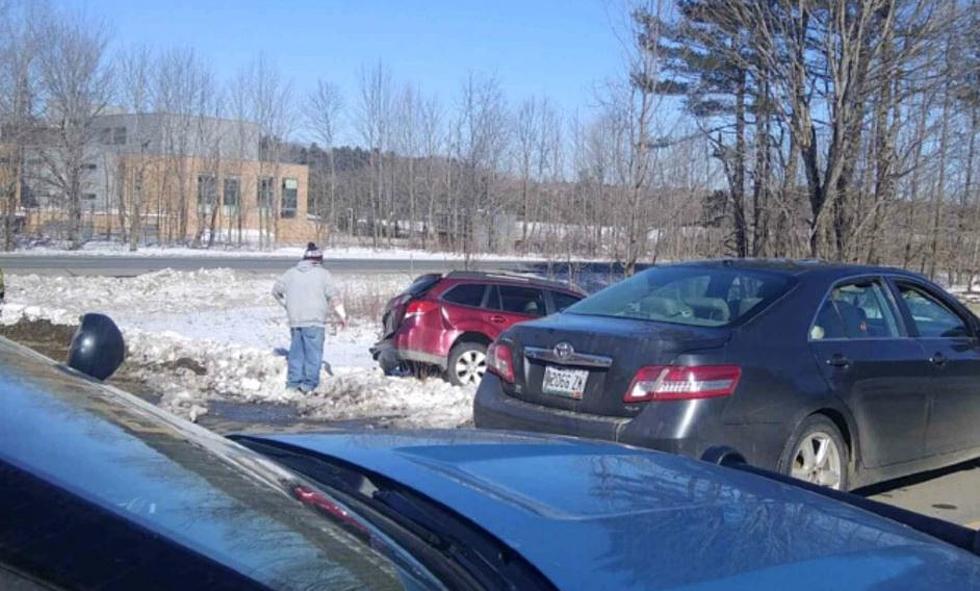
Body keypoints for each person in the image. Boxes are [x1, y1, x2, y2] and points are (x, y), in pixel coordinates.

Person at [272, 243, 347, 392]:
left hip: (295, 320)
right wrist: (342, 316)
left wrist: (286, 305)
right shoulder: (323, 274)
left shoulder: (290, 273)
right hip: (314, 321)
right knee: (313, 354)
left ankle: (293, 383)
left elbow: (275, 291)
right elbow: (334, 297)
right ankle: (309, 385)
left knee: (296, 353)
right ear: (319, 260)